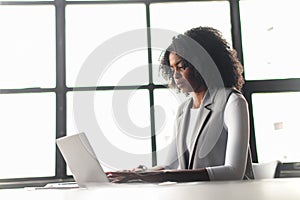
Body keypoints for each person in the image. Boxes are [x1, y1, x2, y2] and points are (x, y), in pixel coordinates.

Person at [107, 26, 254, 183]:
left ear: (204, 64)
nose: (175, 76)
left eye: (182, 66)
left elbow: (234, 172)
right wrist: (135, 174)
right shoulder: (184, 110)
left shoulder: (233, 102)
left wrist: (163, 176)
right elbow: (171, 164)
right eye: (172, 68)